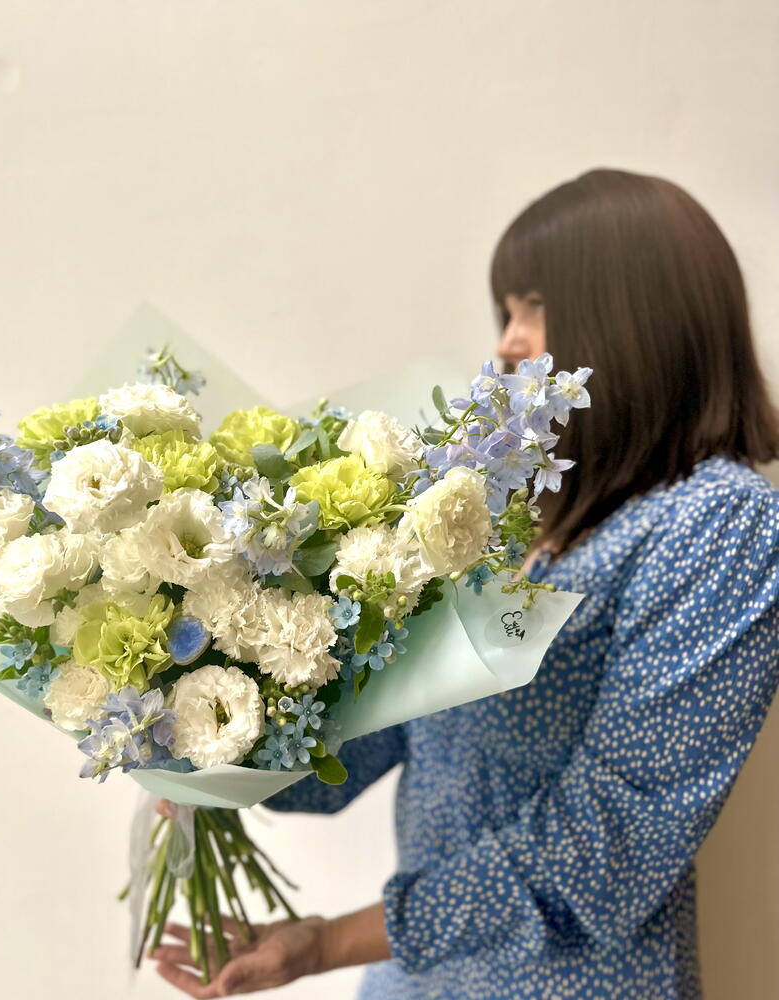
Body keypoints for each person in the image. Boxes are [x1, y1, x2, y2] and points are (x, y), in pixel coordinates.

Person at [150, 169, 779, 999]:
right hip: (413, 982)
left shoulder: (717, 523)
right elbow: (370, 744)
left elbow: (612, 844)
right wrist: (209, 725)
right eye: (504, 313)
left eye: (534, 306)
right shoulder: (509, 515)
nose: (508, 343)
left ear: (638, 310)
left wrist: (326, 943)